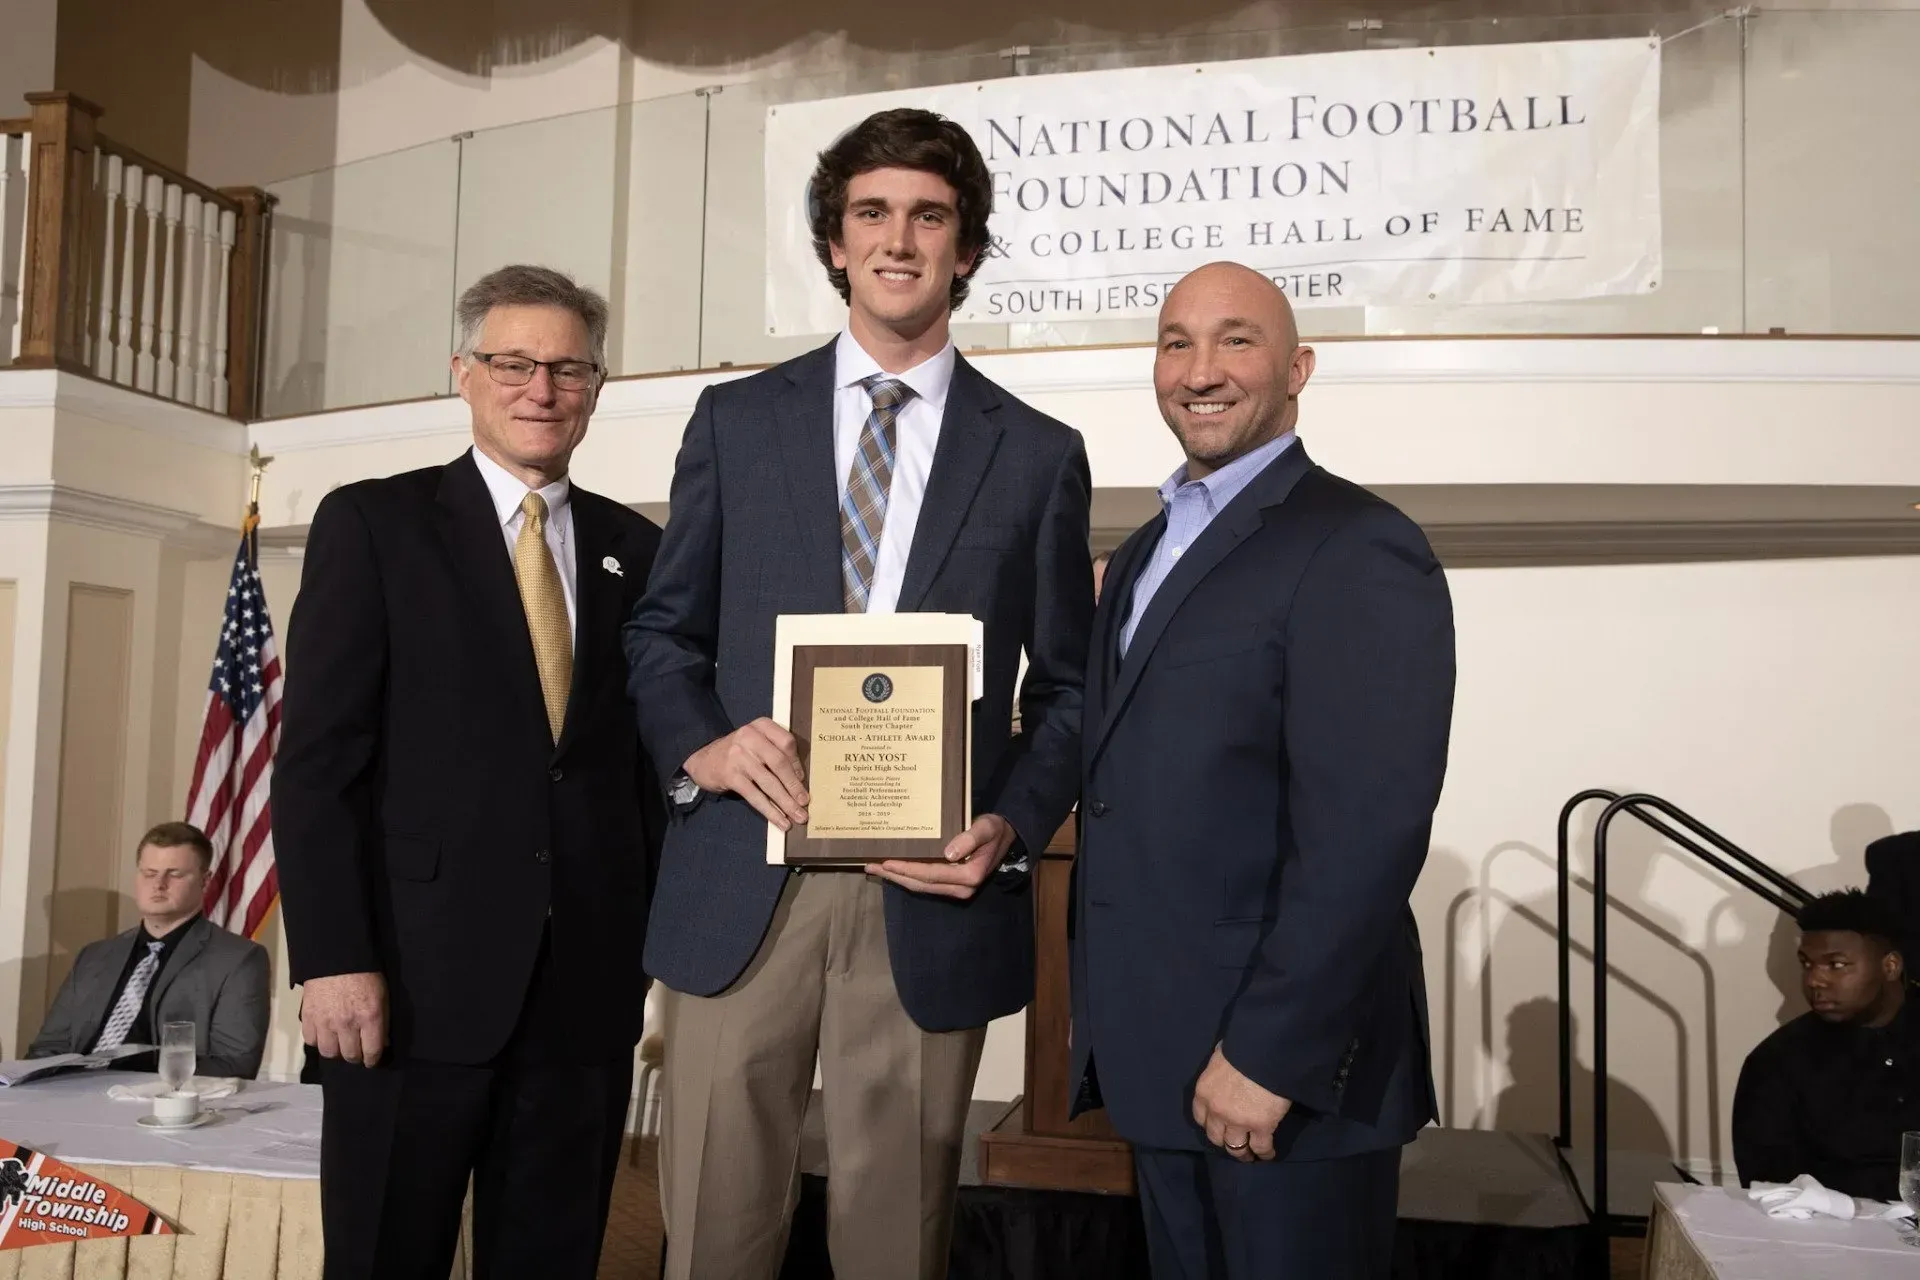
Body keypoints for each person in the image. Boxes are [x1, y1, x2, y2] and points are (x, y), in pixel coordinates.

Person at [624, 107, 1092, 1280]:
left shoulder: (1037, 454)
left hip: (928, 892)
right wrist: (707, 749)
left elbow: (1074, 689)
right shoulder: (736, 422)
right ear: (834, 245)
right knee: (715, 1235)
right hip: (746, 873)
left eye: (929, 217)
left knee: (896, 1243)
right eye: (871, 214)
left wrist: (1016, 823)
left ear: (967, 249)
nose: (899, 239)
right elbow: (661, 633)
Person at [273, 264, 667, 1280]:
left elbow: (641, 772)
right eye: (514, 362)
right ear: (464, 372)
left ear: (597, 384)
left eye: (569, 367)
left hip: (583, 999)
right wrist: (332, 956)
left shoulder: (641, 549)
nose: (542, 388)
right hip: (404, 992)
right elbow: (318, 766)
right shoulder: (374, 524)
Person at [1067, 262, 1455, 1279]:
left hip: (1280, 1076)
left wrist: (1268, 1055)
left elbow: (1365, 834)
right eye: (1176, 341)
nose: (1201, 369)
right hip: (1163, 1062)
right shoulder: (1143, 553)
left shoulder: (1359, 543)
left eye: (1237, 339)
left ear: (1299, 367)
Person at [29, 821, 269, 1078]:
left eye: (174, 874)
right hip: (70, 1093)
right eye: (149, 873)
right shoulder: (94, 956)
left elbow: (234, 1065)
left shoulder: (237, 959)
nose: (159, 884)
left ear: (205, 881)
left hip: (160, 1100)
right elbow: (47, 1049)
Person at [1733, 888, 1920, 1200]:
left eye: (1836, 964)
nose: (1814, 981)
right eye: (1807, 964)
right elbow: (1773, 1188)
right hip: (1833, 1234)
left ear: (1890, 966)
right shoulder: (1776, 1061)